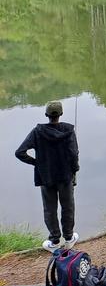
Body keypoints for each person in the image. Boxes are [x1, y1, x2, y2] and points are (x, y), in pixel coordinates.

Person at [15, 100, 80, 251]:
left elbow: (19, 152)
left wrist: (37, 163)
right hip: (66, 176)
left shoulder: (37, 132)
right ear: (61, 114)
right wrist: (75, 170)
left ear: (46, 115)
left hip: (46, 176)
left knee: (49, 209)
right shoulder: (69, 130)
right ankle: (69, 238)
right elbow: (74, 153)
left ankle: (55, 241)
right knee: (68, 207)